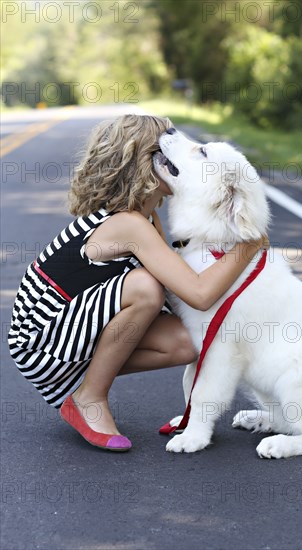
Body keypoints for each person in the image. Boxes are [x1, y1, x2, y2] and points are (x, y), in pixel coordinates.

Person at [8, 114, 268, 452]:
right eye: (165, 155)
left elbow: (187, 292)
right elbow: (200, 294)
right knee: (145, 287)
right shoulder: (128, 224)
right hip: (38, 339)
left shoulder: (147, 218)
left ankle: (85, 381)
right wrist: (249, 242)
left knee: (185, 342)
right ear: (142, 166)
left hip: (68, 331)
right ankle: (89, 397)